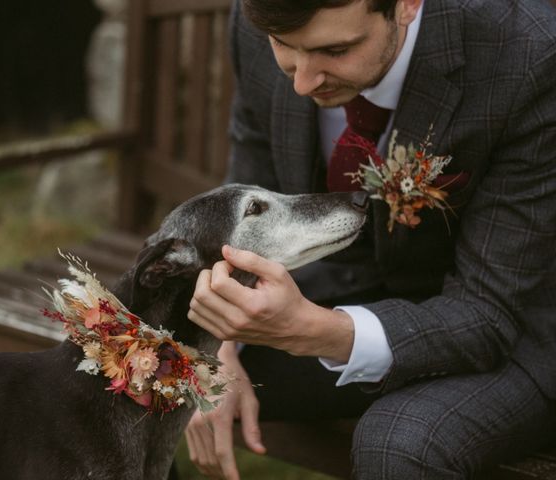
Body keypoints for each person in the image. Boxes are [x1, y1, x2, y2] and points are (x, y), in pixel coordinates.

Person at [184, 0, 556, 478]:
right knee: (144, 357)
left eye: (335, 49)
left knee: (398, 443)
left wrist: (312, 330)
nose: (302, 81)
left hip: (519, 324)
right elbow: (243, 208)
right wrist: (212, 352)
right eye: (285, 48)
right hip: (352, 287)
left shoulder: (531, 57)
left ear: (406, 6)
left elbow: (490, 313)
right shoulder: (263, 19)